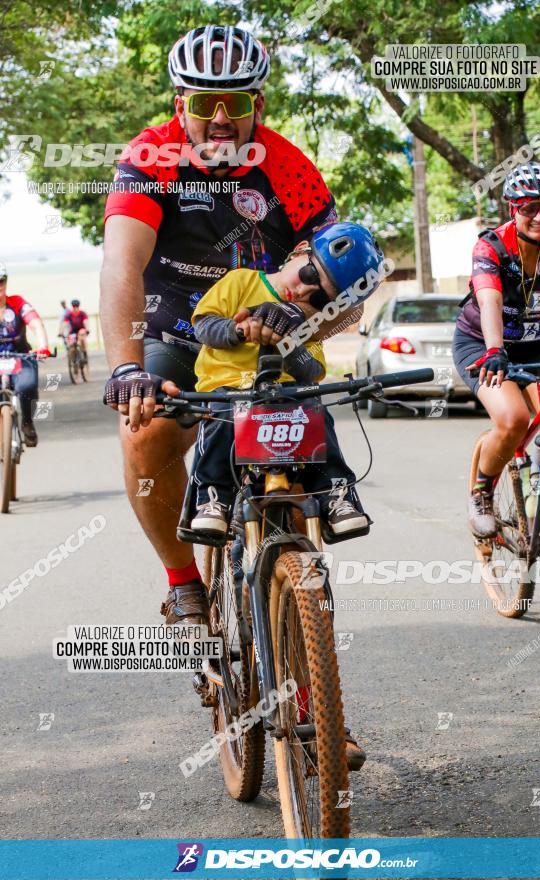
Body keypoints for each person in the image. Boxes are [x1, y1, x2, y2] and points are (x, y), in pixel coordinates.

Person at [101, 25, 354, 630]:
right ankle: (184, 581)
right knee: (145, 433)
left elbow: (349, 289)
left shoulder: (291, 168)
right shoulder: (150, 157)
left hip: (271, 335)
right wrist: (125, 365)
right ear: (178, 105)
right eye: (202, 103)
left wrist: (306, 318)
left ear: (257, 107)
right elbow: (121, 264)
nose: (219, 119)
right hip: (176, 333)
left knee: (308, 427)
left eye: (235, 104)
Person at [190, 221, 382, 536]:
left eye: (320, 299)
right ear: (298, 252)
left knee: (315, 410)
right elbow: (205, 325)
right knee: (219, 420)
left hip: (283, 400)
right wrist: (239, 330)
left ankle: (336, 493)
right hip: (229, 393)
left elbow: (311, 370)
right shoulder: (241, 281)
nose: (305, 290)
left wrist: (286, 342)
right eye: (310, 275)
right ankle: (213, 498)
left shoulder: (307, 325)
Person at [452, 163, 540, 537]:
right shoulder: (491, 246)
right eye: (529, 208)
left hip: (537, 344)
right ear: (513, 208)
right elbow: (490, 301)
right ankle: (481, 490)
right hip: (482, 343)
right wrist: (495, 350)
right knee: (513, 419)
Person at [0, 264, 52, 447]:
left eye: (2, 281)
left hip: (20, 356)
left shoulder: (17, 302)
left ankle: (27, 422)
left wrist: (43, 345)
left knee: (27, 386)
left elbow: (35, 323)